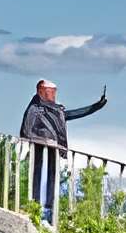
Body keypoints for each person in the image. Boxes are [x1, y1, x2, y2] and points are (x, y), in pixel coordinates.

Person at [18, 76, 108, 221]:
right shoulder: (34, 109)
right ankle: (35, 205)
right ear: (41, 92)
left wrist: (96, 106)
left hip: (54, 147)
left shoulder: (57, 111)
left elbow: (73, 114)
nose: (53, 95)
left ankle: (49, 209)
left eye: (54, 92)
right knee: (37, 174)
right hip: (39, 146)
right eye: (50, 92)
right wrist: (36, 138)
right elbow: (27, 129)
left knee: (52, 176)